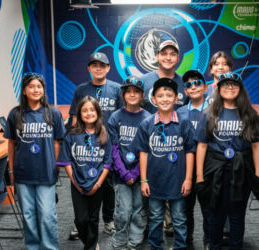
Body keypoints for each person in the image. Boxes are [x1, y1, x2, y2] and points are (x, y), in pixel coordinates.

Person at [195, 72, 259, 249]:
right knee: (215, 214)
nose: (230, 87)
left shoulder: (249, 114)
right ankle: (214, 245)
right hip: (215, 170)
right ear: (219, 88)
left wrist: (257, 174)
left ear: (240, 89)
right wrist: (199, 176)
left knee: (236, 215)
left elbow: (256, 145)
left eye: (234, 84)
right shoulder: (208, 114)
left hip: (241, 170)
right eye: (225, 84)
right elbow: (202, 146)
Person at [4, 72, 66, 250]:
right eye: (31, 86)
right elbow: (11, 144)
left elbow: (56, 143)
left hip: (45, 172)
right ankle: (33, 247)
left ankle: (49, 247)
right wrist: (12, 171)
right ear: (24, 90)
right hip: (23, 173)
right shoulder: (15, 114)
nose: (35, 90)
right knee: (29, 215)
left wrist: (54, 166)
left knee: (47, 215)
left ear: (43, 90)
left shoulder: (52, 113)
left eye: (39, 86)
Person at [134, 78, 195, 249]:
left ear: (177, 98)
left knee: (179, 219)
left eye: (169, 95)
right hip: (155, 182)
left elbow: (190, 151)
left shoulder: (183, 122)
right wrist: (144, 180)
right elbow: (143, 153)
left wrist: (188, 179)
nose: (165, 99)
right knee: (155, 218)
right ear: (153, 100)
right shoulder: (147, 124)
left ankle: (181, 247)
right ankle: (156, 247)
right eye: (160, 95)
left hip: (178, 181)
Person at [68, 52, 122, 238]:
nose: (98, 68)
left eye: (102, 65)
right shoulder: (81, 89)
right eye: (94, 65)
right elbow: (75, 118)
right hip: (84, 146)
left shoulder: (117, 89)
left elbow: (122, 116)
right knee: (81, 182)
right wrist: (74, 143)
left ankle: (108, 220)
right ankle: (79, 222)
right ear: (89, 69)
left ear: (108, 68)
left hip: (107, 145)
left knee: (107, 185)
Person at [57, 96, 112, 250]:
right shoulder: (72, 135)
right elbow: (67, 161)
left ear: (98, 113)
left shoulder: (104, 135)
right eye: (84, 110)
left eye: (92, 110)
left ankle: (91, 246)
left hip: (97, 183)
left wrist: (99, 183)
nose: (89, 113)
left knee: (93, 219)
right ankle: (91, 242)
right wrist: (75, 182)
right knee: (81, 220)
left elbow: (107, 163)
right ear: (80, 114)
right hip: (78, 183)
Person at [108, 76, 151, 250]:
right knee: (123, 211)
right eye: (128, 91)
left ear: (142, 95)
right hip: (121, 174)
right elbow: (113, 148)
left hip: (140, 173)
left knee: (139, 210)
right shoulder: (115, 117)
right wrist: (125, 173)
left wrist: (136, 174)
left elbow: (147, 151)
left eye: (136, 92)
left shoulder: (148, 118)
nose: (132, 94)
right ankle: (119, 243)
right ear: (123, 94)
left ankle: (134, 242)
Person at [177, 70, 208, 249]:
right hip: (185, 169)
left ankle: (208, 241)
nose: (193, 87)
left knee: (208, 209)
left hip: (207, 168)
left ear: (204, 87)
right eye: (189, 85)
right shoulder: (179, 113)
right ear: (186, 91)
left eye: (197, 83)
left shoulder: (214, 110)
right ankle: (187, 242)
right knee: (185, 209)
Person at [140, 40, 187, 114]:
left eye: (173, 54)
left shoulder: (185, 83)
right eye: (164, 54)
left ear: (178, 59)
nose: (168, 58)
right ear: (157, 57)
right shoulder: (143, 81)